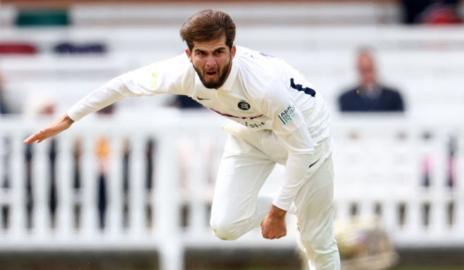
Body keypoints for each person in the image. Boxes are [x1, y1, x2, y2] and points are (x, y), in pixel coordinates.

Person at [24, 10, 340, 269]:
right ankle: (306, 208)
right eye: (201, 54)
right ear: (188, 54)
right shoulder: (180, 72)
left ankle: (306, 212)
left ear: (233, 50)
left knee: (317, 243)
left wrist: (277, 212)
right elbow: (122, 86)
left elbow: (302, 150)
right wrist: (67, 119)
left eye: (218, 52)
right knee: (225, 227)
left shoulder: (263, 85)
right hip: (249, 134)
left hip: (307, 135)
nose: (211, 62)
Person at [338, 48, 405, 113]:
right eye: (363, 70)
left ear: (375, 67)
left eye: (369, 69)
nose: (367, 74)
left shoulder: (393, 97)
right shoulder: (347, 99)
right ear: (358, 70)